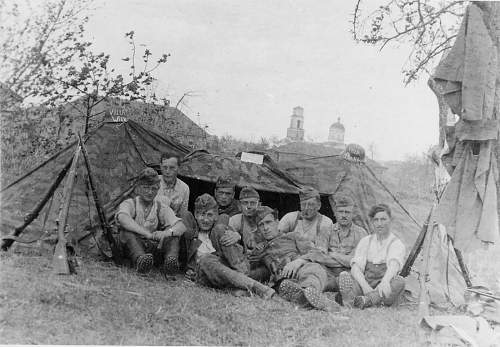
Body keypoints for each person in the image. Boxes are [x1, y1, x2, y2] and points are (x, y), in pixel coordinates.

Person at [183, 194, 275, 299]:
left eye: (209, 215)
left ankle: (238, 285)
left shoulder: (219, 232)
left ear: (216, 216)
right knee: (206, 259)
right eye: (202, 215)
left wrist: (237, 236)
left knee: (220, 230)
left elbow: (236, 250)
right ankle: (256, 287)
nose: (205, 219)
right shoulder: (191, 234)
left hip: (231, 270)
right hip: (206, 272)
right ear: (195, 214)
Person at [251, 206, 340, 311]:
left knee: (313, 270)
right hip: (283, 279)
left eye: (268, 222)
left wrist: (299, 261)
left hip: (302, 269)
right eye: (261, 225)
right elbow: (249, 268)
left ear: (277, 222)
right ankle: (307, 296)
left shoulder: (292, 236)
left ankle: (309, 291)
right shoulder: (260, 249)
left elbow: (316, 252)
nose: (265, 228)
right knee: (286, 285)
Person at [116, 167, 187, 274]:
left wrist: (166, 233)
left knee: (173, 236)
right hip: (131, 247)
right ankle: (140, 261)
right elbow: (123, 218)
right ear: (138, 188)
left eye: (153, 189)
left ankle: (170, 263)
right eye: (146, 187)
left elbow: (181, 226)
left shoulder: (160, 207)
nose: (150, 192)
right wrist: (147, 234)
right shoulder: (130, 203)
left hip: (151, 249)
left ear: (158, 189)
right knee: (126, 232)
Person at [338, 203, 406, 309]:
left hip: (383, 286)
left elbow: (394, 266)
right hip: (366, 284)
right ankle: (357, 301)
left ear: (390, 221)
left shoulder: (396, 243)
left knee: (399, 281)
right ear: (372, 222)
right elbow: (356, 268)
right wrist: (365, 287)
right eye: (376, 220)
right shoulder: (366, 241)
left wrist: (385, 282)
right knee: (346, 276)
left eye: (383, 219)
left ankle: (363, 301)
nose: (379, 224)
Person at [303, 194, 368, 293]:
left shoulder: (361, 233)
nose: (344, 215)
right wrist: (345, 259)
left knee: (353, 276)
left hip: (349, 273)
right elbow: (319, 257)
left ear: (353, 214)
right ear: (335, 213)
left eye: (347, 212)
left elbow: (356, 261)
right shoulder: (326, 231)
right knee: (314, 268)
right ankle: (308, 292)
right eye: (341, 212)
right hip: (327, 271)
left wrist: (332, 254)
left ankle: (331, 292)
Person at [278, 187, 334, 253]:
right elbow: (277, 238)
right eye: (303, 204)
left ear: (319, 205)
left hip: (312, 259)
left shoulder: (325, 222)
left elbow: (321, 251)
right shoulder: (290, 217)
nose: (306, 208)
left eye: (311, 204)